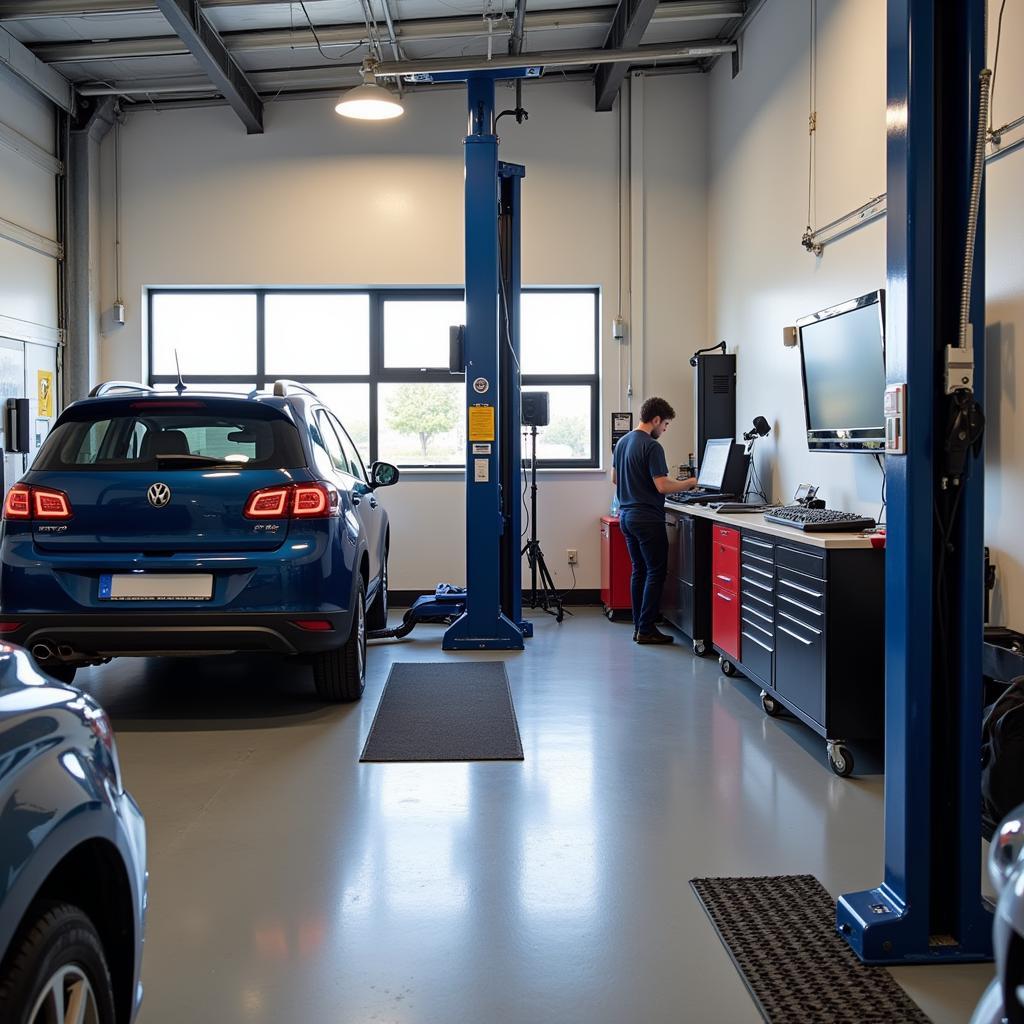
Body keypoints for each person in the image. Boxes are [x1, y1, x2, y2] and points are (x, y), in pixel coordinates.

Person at [611, 397, 697, 644]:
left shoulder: (623, 442)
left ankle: (639, 626)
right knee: (655, 572)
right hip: (647, 518)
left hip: (626, 516)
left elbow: (615, 479)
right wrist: (689, 483)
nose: (665, 430)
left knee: (639, 571)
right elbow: (662, 486)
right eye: (666, 424)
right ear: (656, 419)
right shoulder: (651, 446)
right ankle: (646, 629)